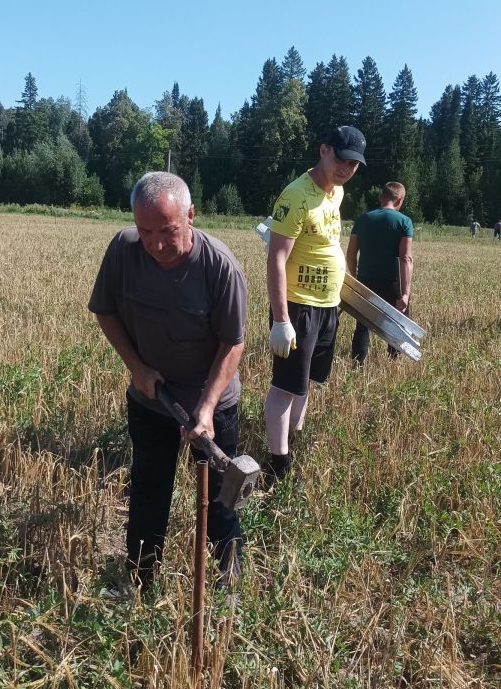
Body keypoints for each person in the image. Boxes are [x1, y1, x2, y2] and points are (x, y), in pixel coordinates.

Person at [88, 172, 248, 588]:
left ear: (191, 216)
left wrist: (208, 408)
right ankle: (141, 577)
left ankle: (228, 576)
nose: (156, 244)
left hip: (211, 405)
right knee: (148, 491)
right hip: (151, 400)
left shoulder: (220, 268)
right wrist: (136, 367)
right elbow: (105, 312)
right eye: (145, 231)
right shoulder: (124, 251)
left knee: (219, 500)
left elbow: (233, 344)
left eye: (167, 230)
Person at [264, 126, 366, 480]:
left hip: (327, 307)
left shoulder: (335, 193)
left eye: (354, 164)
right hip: (298, 307)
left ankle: (295, 439)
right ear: (323, 150)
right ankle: (278, 461)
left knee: (306, 382)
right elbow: (276, 258)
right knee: (285, 386)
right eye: (341, 159)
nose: (347, 169)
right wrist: (281, 320)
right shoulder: (296, 196)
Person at [345, 181, 414, 364]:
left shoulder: (362, 219)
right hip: (392, 283)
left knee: (363, 325)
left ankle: (357, 364)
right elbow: (405, 258)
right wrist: (405, 293)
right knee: (398, 324)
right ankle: (394, 363)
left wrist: (355, 279)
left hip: (366, 280)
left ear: (380, 197)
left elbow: (351, 254)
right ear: (400, 200)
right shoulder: (404, 222)